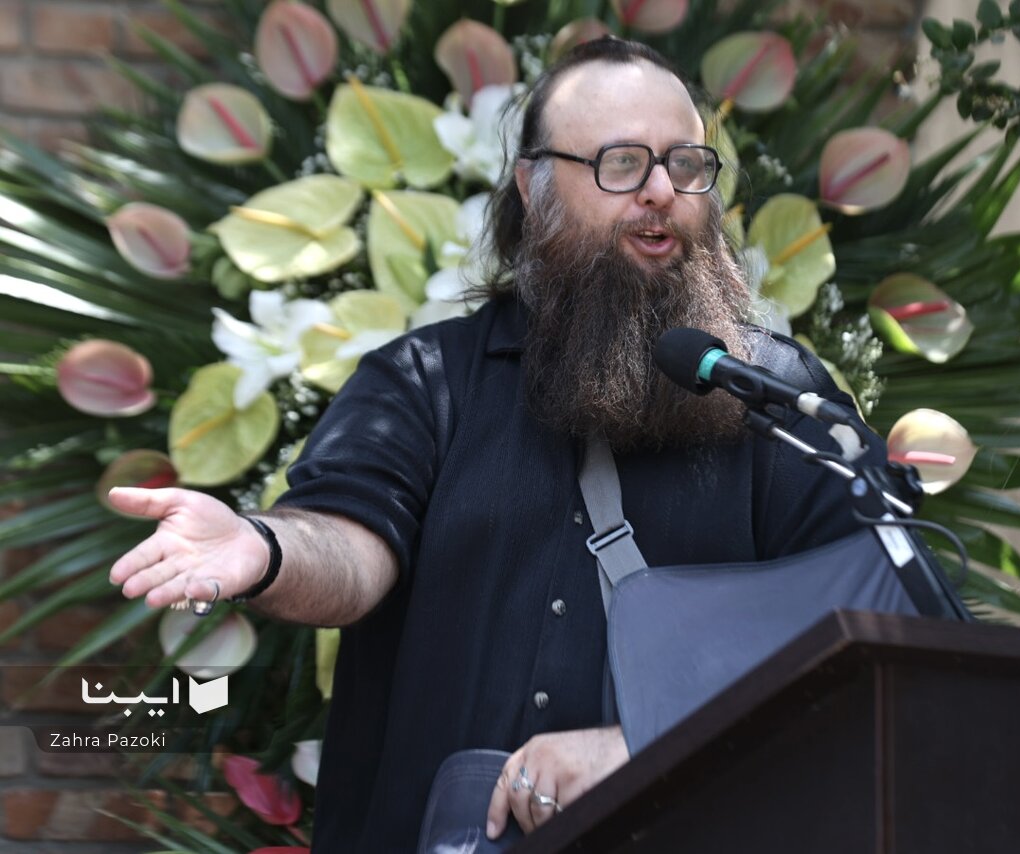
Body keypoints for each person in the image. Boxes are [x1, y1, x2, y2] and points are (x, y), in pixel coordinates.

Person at [108, 38, 886, 851]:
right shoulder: (424, 381)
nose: (661, 190)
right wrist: (264, 548)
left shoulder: (774, 396)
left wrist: (654, 745)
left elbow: (870, 623)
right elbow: (349, 545)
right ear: (533, 186)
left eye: (685, 165)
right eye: (622, 163)